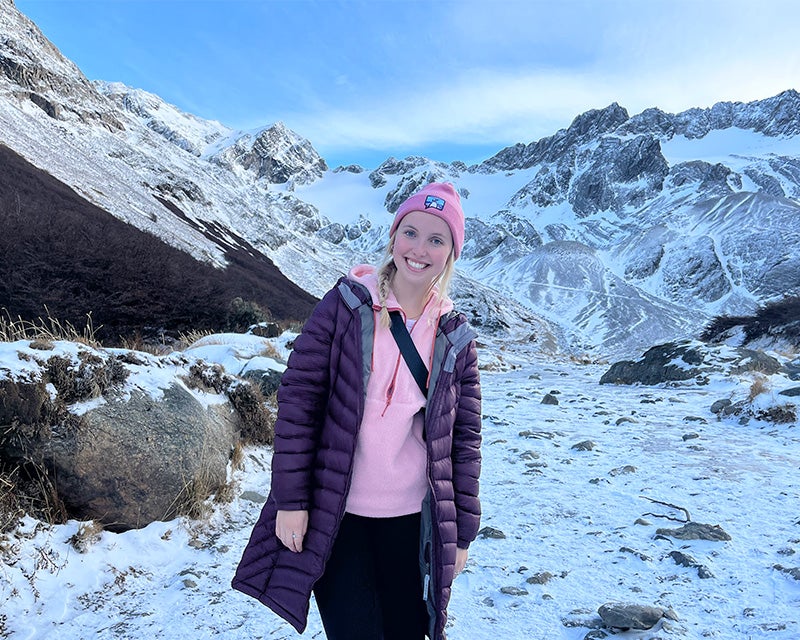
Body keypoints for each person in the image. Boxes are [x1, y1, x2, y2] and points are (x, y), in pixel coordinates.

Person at [231, 181, 482, 640]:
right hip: (337, 512)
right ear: (393, 237)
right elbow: (298, 402)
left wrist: (462, 530)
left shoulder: (454, 336)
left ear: (451, 253)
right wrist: (291, 501)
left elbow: (462, 439)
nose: (419, 249)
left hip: (413, 519)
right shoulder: (344, 306)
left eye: (436, 239)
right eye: (410, 232)